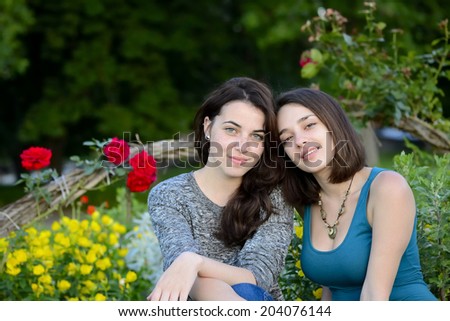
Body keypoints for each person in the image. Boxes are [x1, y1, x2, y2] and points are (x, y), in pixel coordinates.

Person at [275, 87, 437, 301]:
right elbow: (331, 290)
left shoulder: (386, 188)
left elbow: (374, 297)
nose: (299, 141)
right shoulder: (310, 204)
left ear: (334, 125)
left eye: (309, 125)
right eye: (287, 138)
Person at [147, 77, 294, 301]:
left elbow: (258, 276)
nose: (242, 146)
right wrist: (187, 264)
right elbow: (182, 274)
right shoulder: (169, 195)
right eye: (231, 130)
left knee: (246, 291)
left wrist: (194, 261)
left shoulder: (273, 196)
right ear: (208, 127)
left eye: (256, 136)